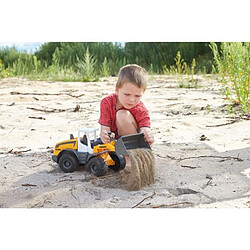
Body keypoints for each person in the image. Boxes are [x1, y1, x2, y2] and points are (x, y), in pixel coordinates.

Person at [98, 64, 154, 147]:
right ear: (117, 90)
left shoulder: (140, 108)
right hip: (114, 142)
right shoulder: (107, 102)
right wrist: (105, 136)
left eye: (137, 96)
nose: (132, 100)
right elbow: (105, 129)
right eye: (127, 94)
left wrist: (148, 136)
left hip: (133, 141)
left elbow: (145, 129)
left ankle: (130, 154)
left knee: (122, 115)